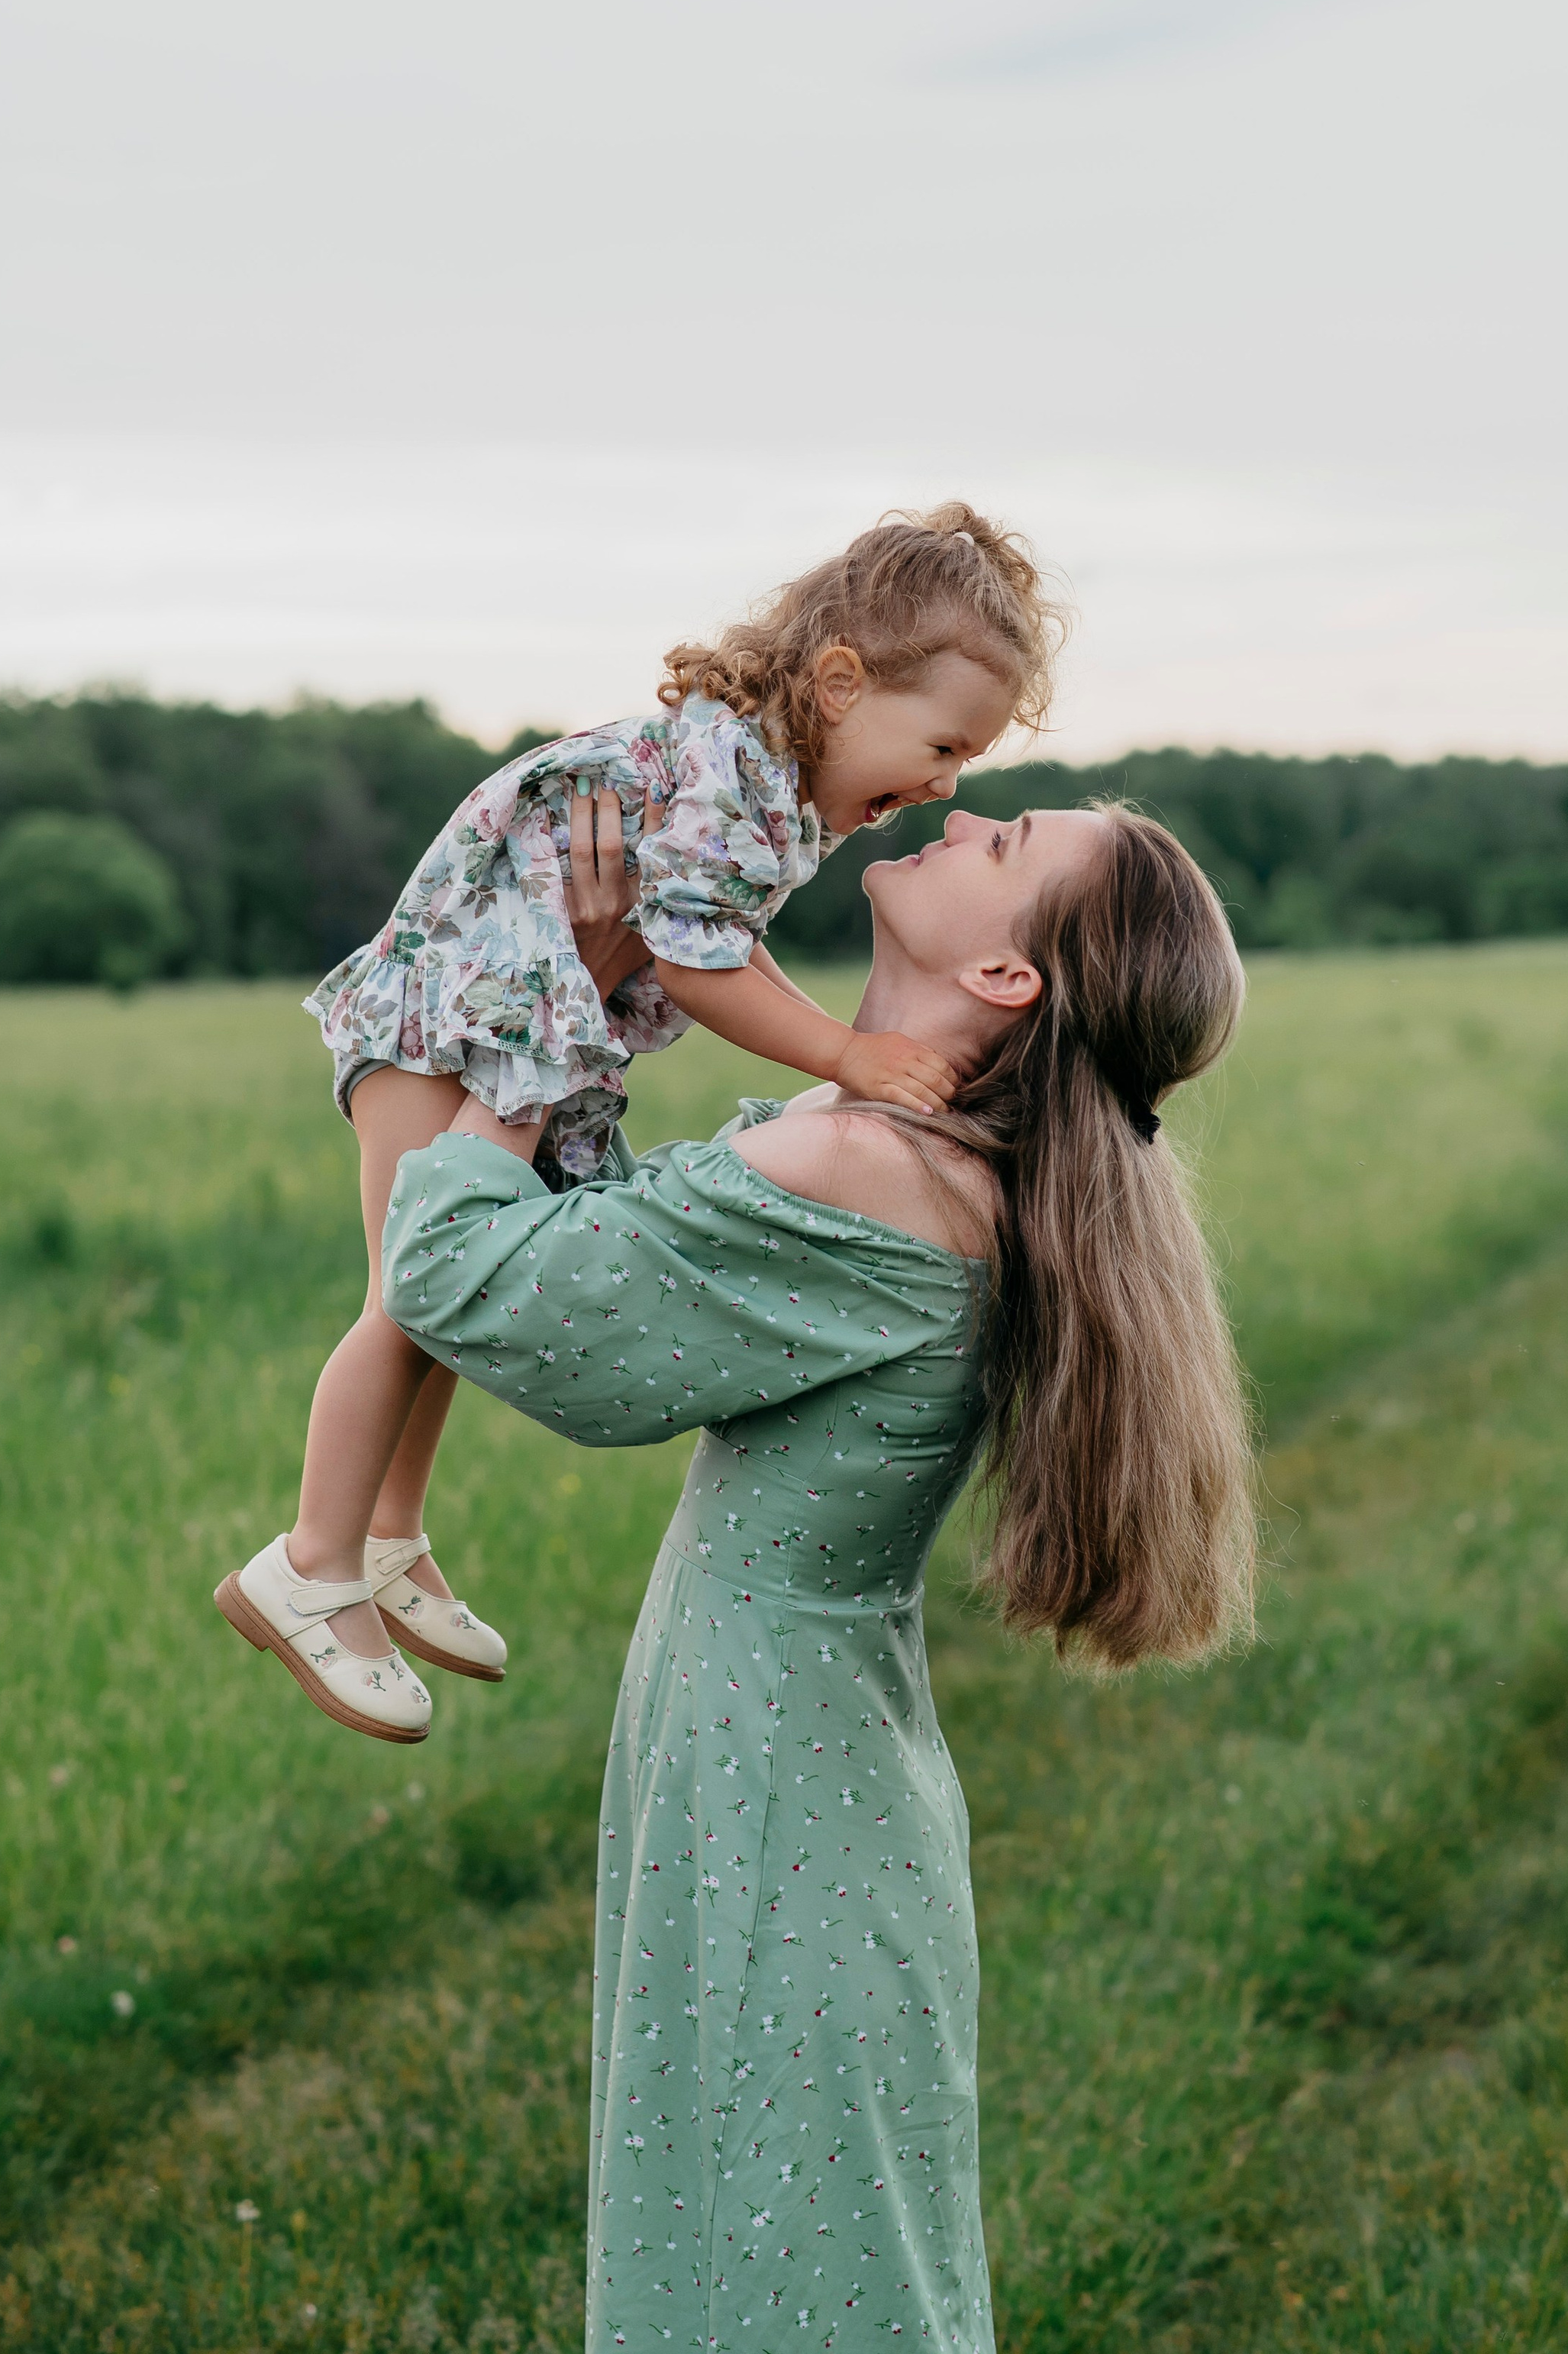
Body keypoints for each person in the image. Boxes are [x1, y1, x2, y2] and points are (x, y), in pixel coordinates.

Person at [363, 785, 1257, 2354]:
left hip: (778, 1792)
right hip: (806, 1775)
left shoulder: (867, 1167)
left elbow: (472, 1283)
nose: (967, 814)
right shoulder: (888, 1152)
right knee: (796, 2268)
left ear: (1006, 981)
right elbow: (615, 1244)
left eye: (1007, 846)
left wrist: (541, 1017)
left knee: (781, 2279)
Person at [215, 507, 1063, 1745]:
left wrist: (824, 1043)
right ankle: (311, 1563)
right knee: (408, 1297)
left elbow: (710, 943)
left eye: (965, 762)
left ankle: (390, 1537)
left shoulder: (780, 790)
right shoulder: (735, 774)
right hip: (449, 1007)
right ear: (838, 684)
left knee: (441, 1306)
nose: (944, 787)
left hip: (516, 1011)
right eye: (940, 745)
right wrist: (843, 1055)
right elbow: (696, 954)